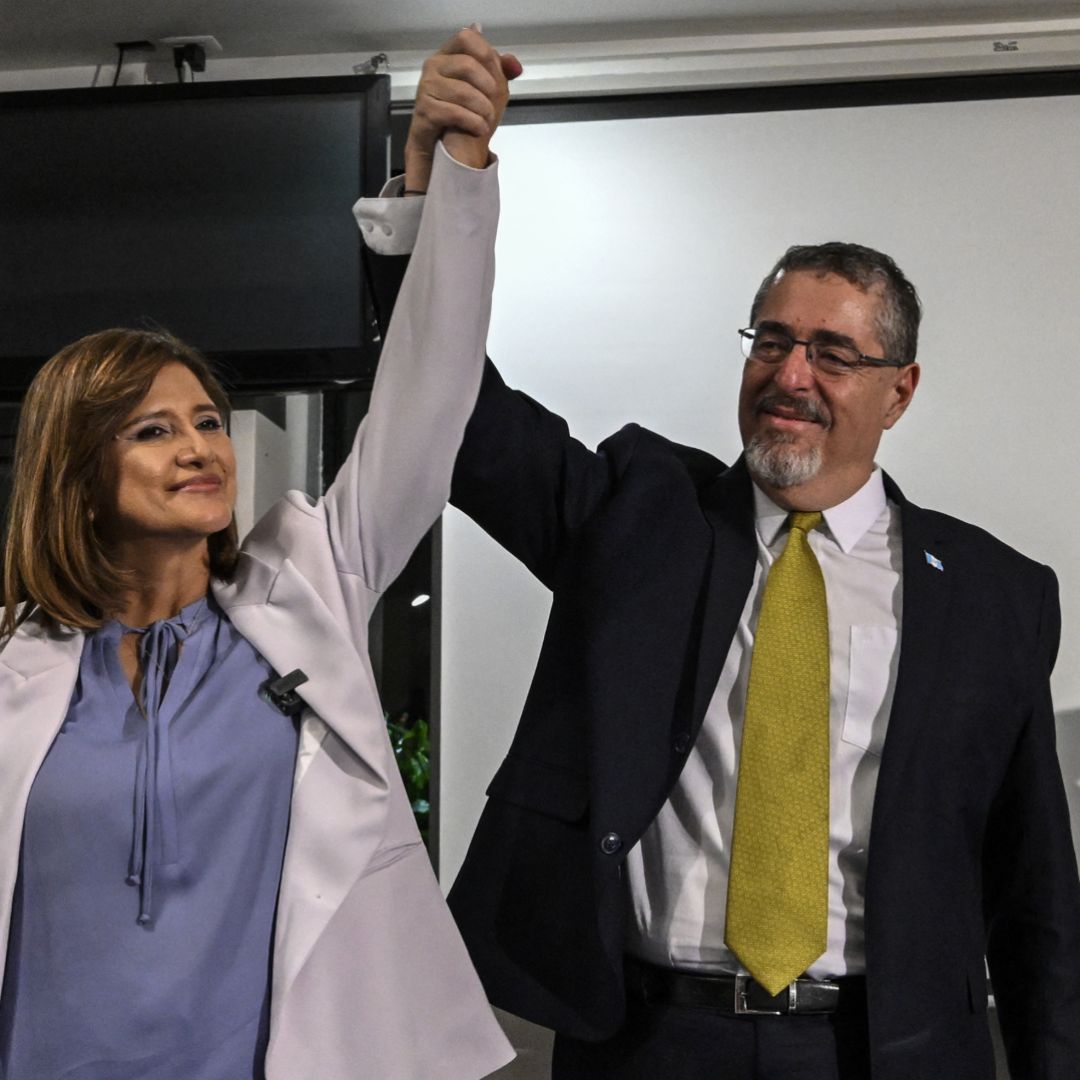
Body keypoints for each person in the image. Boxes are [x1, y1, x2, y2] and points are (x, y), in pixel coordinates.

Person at [358, 33, 1080, 1080]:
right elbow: (457, 415)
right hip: (654, 1042)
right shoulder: (643, 514)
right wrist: (432, 201)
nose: (790, 374)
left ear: (900, 391)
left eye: (832, 353)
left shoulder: (995, 597)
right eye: (771, 341)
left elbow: (1036, 895)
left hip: (888, 1049)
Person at [0, 64, 516, 1078]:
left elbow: (428, 401)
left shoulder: (305, 589)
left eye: (205, 421)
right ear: (77, 471)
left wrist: (443, 188)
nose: (199, 447)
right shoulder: (15, 658)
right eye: (152, 430)